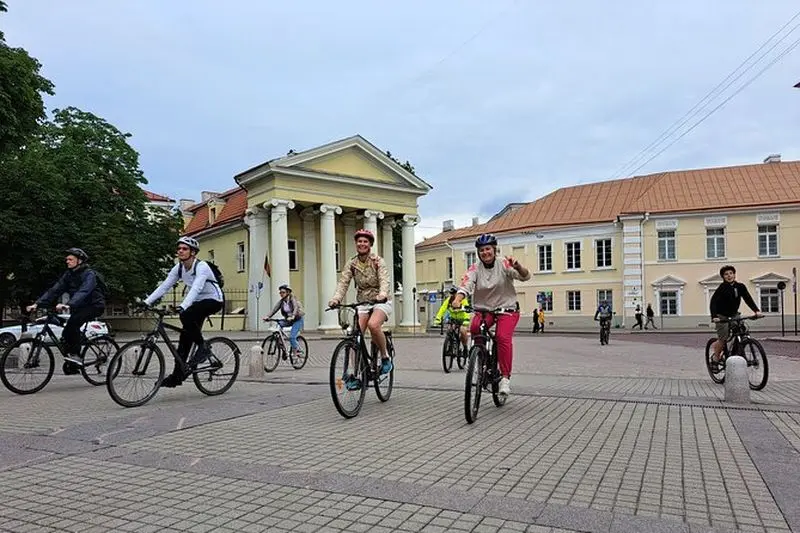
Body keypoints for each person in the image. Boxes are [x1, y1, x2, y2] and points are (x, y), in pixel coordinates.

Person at [451, 233, 531, 399]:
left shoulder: (504, 264)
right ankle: (482, 360)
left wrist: (517, 266)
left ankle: (505, 378)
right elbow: (465, 285)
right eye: (481, 250)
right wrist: (458, 300)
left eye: (488, 249)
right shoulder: (474, 269)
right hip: (485, 309)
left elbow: (525, 276)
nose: (485, 253)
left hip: (507, 309)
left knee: (502, 337)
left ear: (494, 249)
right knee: (474, 328)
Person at [144, 236, 223, 387]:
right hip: (196, 303)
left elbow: (197, 287)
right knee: (184, 340)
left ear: (193, 252)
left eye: (184, 249)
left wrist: (183, 305)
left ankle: (204, 348)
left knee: (185, 315)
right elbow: (164, 286)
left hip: (213, 300)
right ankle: (177, 376)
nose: (180, 251)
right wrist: (146, 302)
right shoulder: (179, 268)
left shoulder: (202, 266)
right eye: (179, 248)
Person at [328, 229, 392, 387]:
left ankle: (385, 358)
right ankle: (356, 374)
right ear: (356, 244)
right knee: (355, 336)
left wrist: (383, 294)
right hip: (362, 302)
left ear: (370, 244)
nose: (362, 244)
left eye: (365, 241)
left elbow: (384, 279)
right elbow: (343, 283)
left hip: (380, 300)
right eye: (359, 241)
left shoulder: (377, 261)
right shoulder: (352, 263)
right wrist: (336, 299)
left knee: (373, 325)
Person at [26, 248, 106, 373]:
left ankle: (76, 356)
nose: (67, 261)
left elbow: (84, 291)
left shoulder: (89, 274)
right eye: (66, 259)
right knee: (66, 333)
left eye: (70, 259)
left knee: (73, 323)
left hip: (94, 305)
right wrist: (37, 304)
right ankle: (73, 365)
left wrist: (69, 304)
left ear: (79, 261)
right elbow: (55, 290)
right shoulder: (68, 275)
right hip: (78, 307)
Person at [709, 265, 762, 364]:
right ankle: (716, 358)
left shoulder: (740, 286)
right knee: (723, 338)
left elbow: (748, 299)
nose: (729, 276)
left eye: (731, 273)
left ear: (734, 274)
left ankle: (737, 353)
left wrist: (756, 311)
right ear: (723, 277)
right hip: (721, 316)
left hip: (734, 315)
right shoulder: (722, 288)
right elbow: (713, 302)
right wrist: (714, 316)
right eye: (726, 274)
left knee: (742, 331)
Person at [264, 284, 305, 355]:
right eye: (280, 293)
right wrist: (267, 316)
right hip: (288, 320)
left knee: (292, 337)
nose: (281, 294)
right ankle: (282, 347)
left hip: (297, 320)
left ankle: (297, 350)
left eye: (283, 292)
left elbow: (295, 307)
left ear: (288, 292)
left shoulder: (293, 299)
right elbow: (275, 309)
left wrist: (293, 316)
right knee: (278, 328)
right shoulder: (282, 302)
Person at [433, 287, 470, 356]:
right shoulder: (448, 300)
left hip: (462, 320)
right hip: (453, 319)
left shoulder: (463, 300)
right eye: (451, 294)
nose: (453, 295)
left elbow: (466, 311)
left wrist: (466, 320)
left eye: (454, 294)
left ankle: (465, 347)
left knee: (463, 331)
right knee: (449, 330)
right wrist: (438, 319)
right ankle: (450, 346)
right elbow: (442, 309)